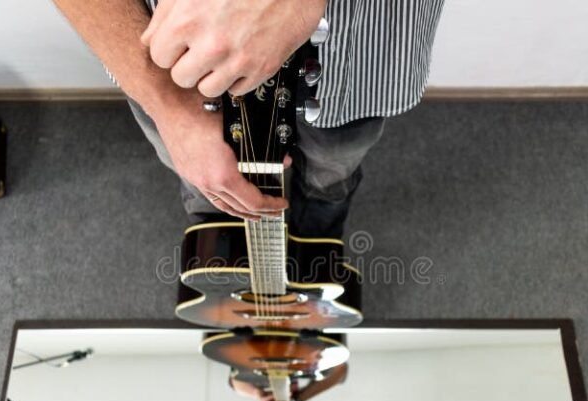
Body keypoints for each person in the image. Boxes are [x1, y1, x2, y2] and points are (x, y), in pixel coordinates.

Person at [53, 0, 445, 238]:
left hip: (362, 50)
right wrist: (168, 105)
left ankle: (318, 250)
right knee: (210, 190)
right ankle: (221, 258)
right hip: (171, 67)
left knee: (333, 172)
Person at [229, 363, 349, 401]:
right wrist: (300, 399)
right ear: (295, 388)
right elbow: (340, 368)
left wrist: (259, 395)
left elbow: (236, 382)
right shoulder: (308, 366)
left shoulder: (255, 375)